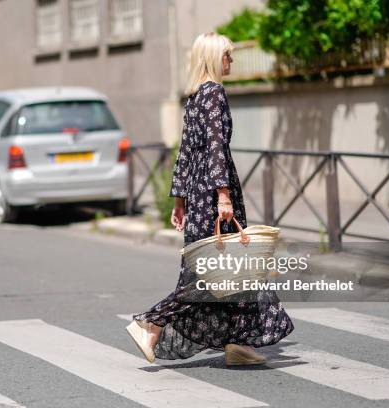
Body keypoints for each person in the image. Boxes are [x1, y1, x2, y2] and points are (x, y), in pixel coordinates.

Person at [125, 32, 294, 366]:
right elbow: (216, 149)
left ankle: (237, 344)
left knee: (234, 270)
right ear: (215, 58)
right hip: (215, 193)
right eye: (228, 55)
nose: (231, 61)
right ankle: (151, 322)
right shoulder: (215, 94)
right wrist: (223, 195)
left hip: (198, 192)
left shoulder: (195, 97)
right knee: (211, 275)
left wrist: (180, 200)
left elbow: (184, 153)